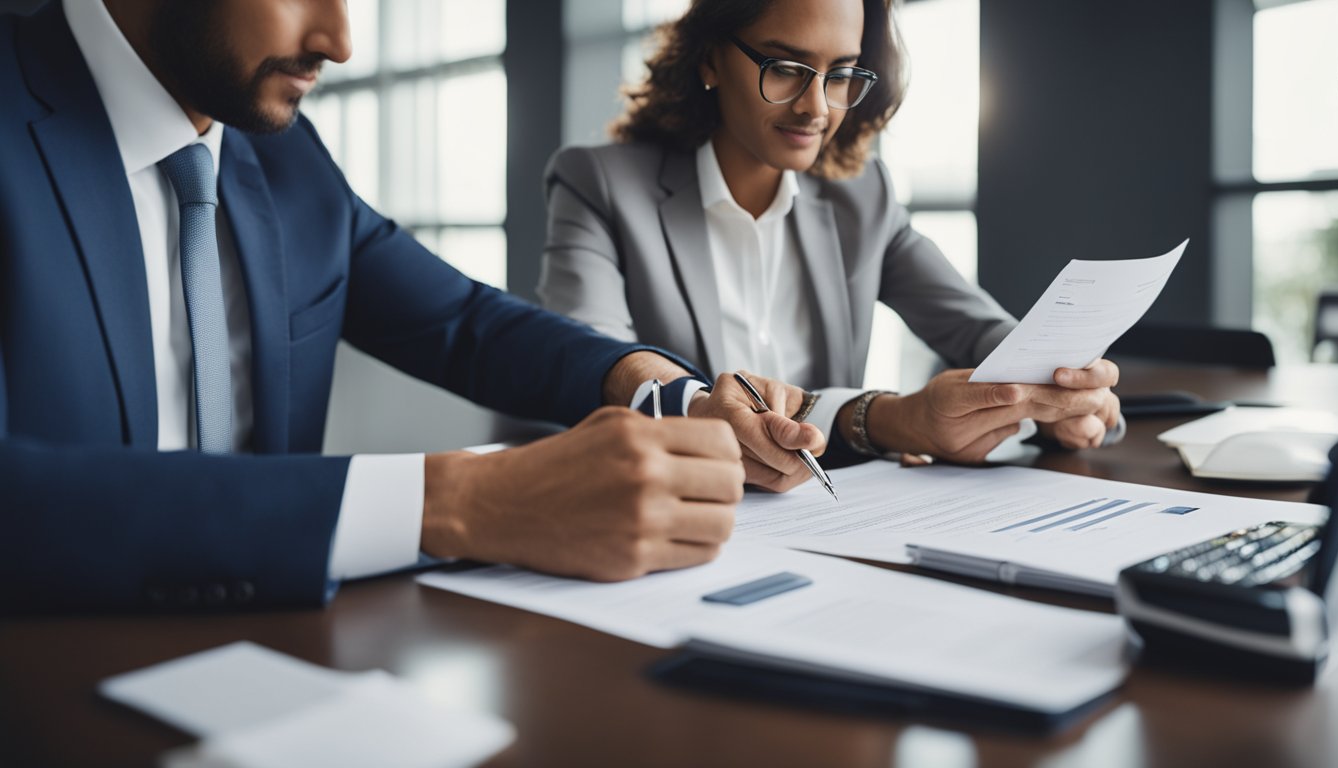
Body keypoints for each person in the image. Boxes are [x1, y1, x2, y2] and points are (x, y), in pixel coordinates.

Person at [0, 0, 826, 614]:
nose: (340, 42)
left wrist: (667, 393)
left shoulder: (281, 157)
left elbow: (464, 322)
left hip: (283, 659)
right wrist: (459, 502)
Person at [538, 0, 1123, 467]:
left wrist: (1066, 387)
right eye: (787, 68)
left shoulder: (861, 196)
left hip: (833, 515)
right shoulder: (600, 184)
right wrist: (890, 419)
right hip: (676, 506)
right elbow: (597, 370)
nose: (817, 108)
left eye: (841, 74)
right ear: (710, 60)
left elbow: (978, 329)